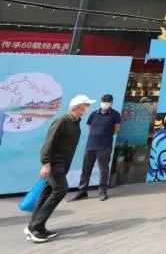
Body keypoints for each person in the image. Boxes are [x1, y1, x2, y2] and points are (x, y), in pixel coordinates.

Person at [25, 95, 95, 243]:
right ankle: (35, 227)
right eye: (86, 105)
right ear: (78, 106)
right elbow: (49, 142)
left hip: (62, 163)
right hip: (54, 163)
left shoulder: (75, 122)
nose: (87, 108)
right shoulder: (63, 120)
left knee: (46, 193)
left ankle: (36, 226)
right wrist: (46, 163)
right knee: (60, 189)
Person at [69, 94, 121, 202]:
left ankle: (102, 191)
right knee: (86, 169)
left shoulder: (115, 114)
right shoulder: (94, 114)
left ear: (111, 103)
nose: (105, 103)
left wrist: (105, 135)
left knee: (103, 170)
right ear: (100, 101)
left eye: (108, 101)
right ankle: (82, 192)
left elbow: (117, 129)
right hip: (90, 146)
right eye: (104, 101)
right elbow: (90, 126)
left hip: (104, 146)